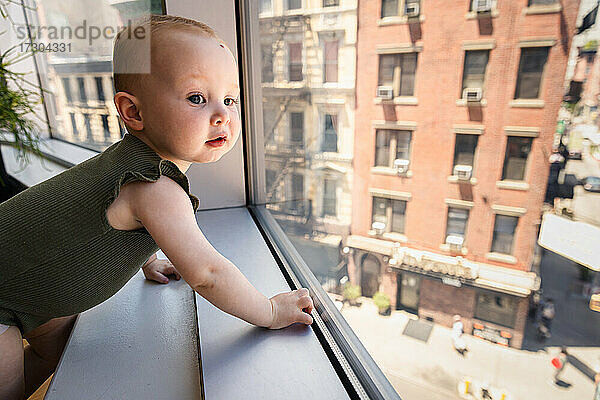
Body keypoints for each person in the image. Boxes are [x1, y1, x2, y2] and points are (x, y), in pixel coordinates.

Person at [0, 15, 314, 399]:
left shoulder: (128, 162)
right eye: (197, 98)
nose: (222, 115)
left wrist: (145, 257)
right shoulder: (154, 186)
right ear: (133, 112)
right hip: (6, 298)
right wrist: (270, 311)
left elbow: (98, 224)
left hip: (26, 291)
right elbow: (209, 273)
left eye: (229, 99)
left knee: (54, 357)